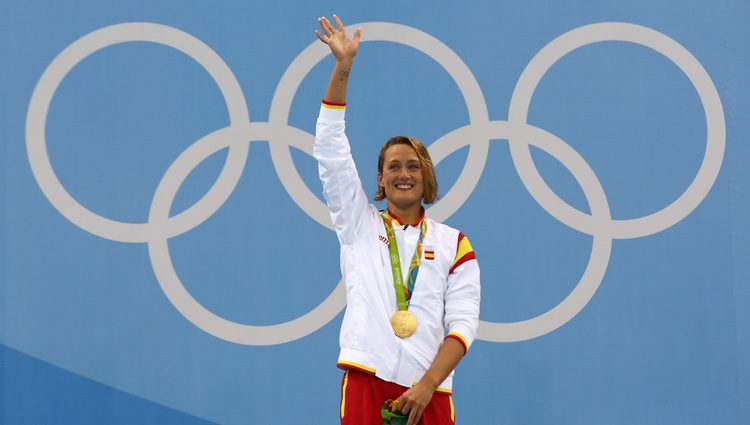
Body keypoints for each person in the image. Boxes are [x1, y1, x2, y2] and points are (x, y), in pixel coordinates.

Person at [314, 15, 481, 425]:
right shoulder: (359, 226)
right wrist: (343, 67)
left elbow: (463, 326)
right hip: (367, 377)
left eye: (412, 166)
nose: (403, 174)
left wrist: (427, 386)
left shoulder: (453, 243)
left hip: (430, 388)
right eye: (393, 167)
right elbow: (331, 150)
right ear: (380, 179)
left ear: (426, 177)